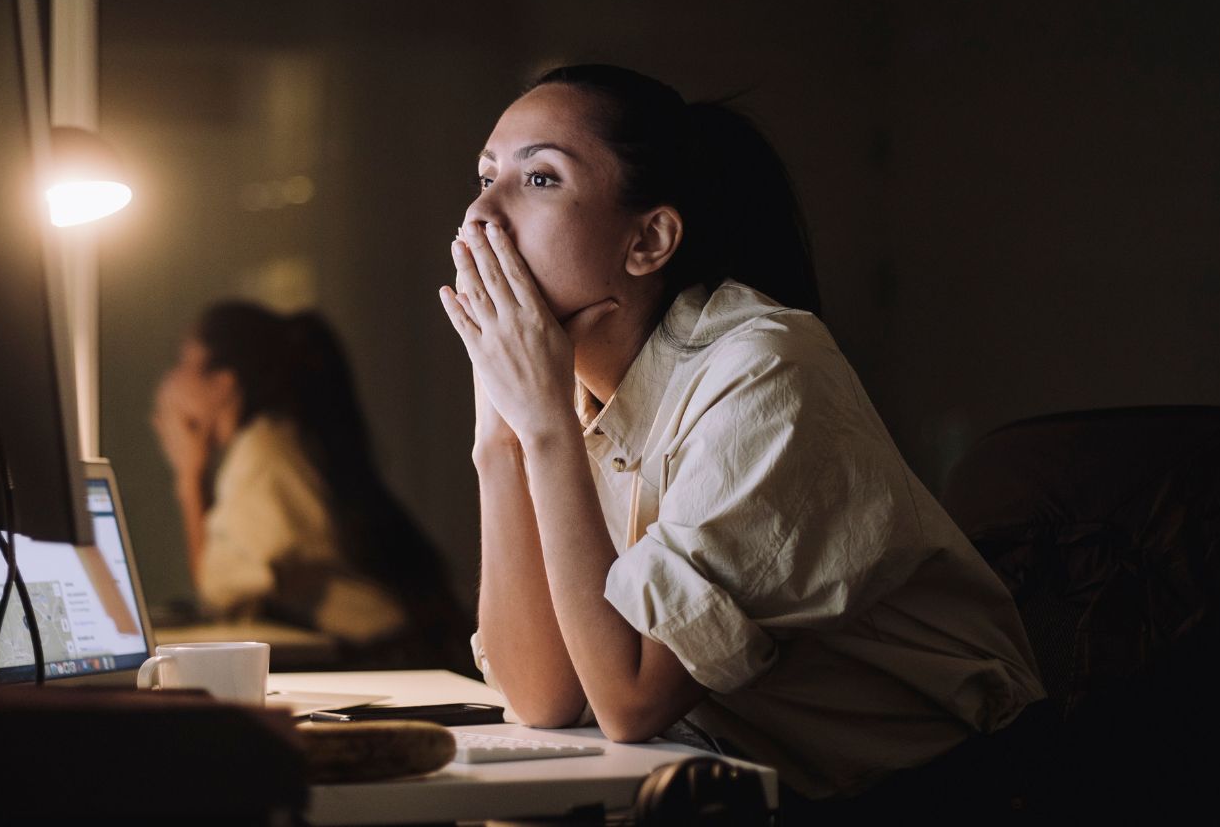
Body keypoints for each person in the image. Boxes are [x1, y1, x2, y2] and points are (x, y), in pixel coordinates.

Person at [438, 64, 1044, 807]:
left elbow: (629, 701)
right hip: (741, 788)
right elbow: (544, 699)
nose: (480, 217)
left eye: (539, 180)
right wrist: (498, 438)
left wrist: (542, 430)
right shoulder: (570, 396)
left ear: (649, 240)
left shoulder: (765, 368)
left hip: (943, 794)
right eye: (484, 176)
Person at [152, 301, 470, 670]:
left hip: (388, 658)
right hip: (396, 650)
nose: (170, 381)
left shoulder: (263, 452)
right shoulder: (280, 439)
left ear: (224, 383)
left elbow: (220, 590)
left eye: (184, 363)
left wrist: (189, 478)